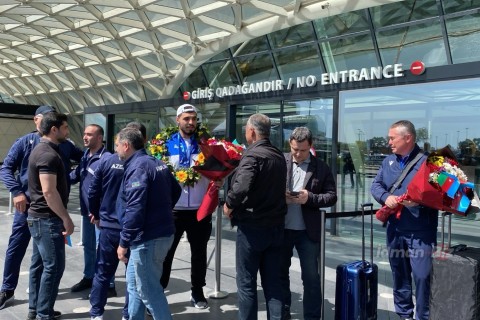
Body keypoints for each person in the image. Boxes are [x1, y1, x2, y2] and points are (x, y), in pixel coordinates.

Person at [0, 105, 82, 311]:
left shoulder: (65, 145)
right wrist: (17, 192)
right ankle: (7, 289)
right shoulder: (25, 142)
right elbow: (6, 168)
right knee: (17, 247)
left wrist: (70, 178)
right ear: (37, 119)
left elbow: (84, 159)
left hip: (50, 210)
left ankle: (37, 306)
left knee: (43, 258)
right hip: (26, 206)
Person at [371, 120, 438, 320]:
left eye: (392, 138)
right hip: (395, 228)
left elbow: (442, 196)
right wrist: (386, 198)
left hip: (421, 231)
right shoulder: (388, 161)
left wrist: (419, 202)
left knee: (422, 276)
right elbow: (376, 186)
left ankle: (423, 316)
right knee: (399, 274)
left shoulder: (429, 162)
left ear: (407, 138)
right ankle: (404, 315)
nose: (389, 141)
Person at [223, 113, 287, 320]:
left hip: (252, 228)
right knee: (273, 285)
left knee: (247, 283)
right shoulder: (278, 155)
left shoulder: (253, 155)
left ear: (252, 131)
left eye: (245, 130)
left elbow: (241, 187)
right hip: (276, 227)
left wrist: (229, 204)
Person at [160, 103, 223, 309]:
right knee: (166, 253)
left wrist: (220, 178)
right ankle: (159, 292)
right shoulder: (165, 144)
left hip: (199, 209)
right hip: (173, 210)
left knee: (199, 253)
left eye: (194, 119)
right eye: (186, 118)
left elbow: (217, 170)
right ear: (177, 120)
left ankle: (197, 292)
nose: (190, 122)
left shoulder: (207, 144)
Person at [116, 127, 181, 320]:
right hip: (158, 233)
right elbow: (175, 190)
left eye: (117, 145)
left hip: (147, 239)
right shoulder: (155, 162)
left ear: (126, 145)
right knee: (135, 286)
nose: (116, 149)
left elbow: (135, 209)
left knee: (149, 291)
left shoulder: (138, 168)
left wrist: (123, 241)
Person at [88, 122, 146, 320]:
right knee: (132, 276)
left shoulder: (106, 161)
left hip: (108, 227)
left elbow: (93, 191)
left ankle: (96, 313)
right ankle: (127, 314)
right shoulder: (145, 163)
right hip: (132, 228)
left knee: (102, 271)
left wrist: (95, 213)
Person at [281, 127, 337, 320]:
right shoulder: (280, 162)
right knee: (279, 274)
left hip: (308, 231)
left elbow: (331, 197)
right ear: (290, 144)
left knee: (311, 278)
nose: (298, 154)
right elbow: (267, 190)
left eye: (303, 150)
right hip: (281, 229)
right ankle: (282, 311)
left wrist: (310, 198)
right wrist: (282, 198)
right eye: (295, 149)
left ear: (310, 146)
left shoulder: (321, 167)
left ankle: (312, 316)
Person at [27, 112, 75, 320]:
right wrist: (66, 218)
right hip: (46, 220)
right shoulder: (47, 154)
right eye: (65, 127)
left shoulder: (43, 150)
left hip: (39, 219)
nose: (68, 131)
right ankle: (43, 314)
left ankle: (37, 309)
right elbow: (49, 191)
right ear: (54, 129)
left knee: (40, 266)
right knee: (54, 267)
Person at [70, 125, 110, 294]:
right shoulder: (85, 156)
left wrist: (101, 211)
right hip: (87, 211)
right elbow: (75, 176)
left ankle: (108, 284)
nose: (85, 137)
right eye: (84, 134)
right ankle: (89, 276)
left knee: (103, 247)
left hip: (100, 214)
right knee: (88, 245)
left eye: (89, 135)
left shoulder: (107, 158)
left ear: (99, 138)